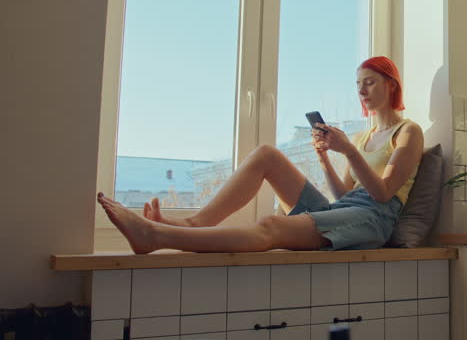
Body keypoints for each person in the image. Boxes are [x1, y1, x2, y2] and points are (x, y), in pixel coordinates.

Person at [96, 56, 424, 254]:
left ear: (391, 85)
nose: (362, 91)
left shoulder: (408, 131)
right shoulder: (362, 136)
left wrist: (348, 151)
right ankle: (195, 223)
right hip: (346, 209)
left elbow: (382, 194)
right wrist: (325, 157)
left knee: (271, 225)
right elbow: (342, 195)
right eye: (358, 84)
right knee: (267, 155)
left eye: (370, 82)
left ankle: (155, 236)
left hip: (374, 220)